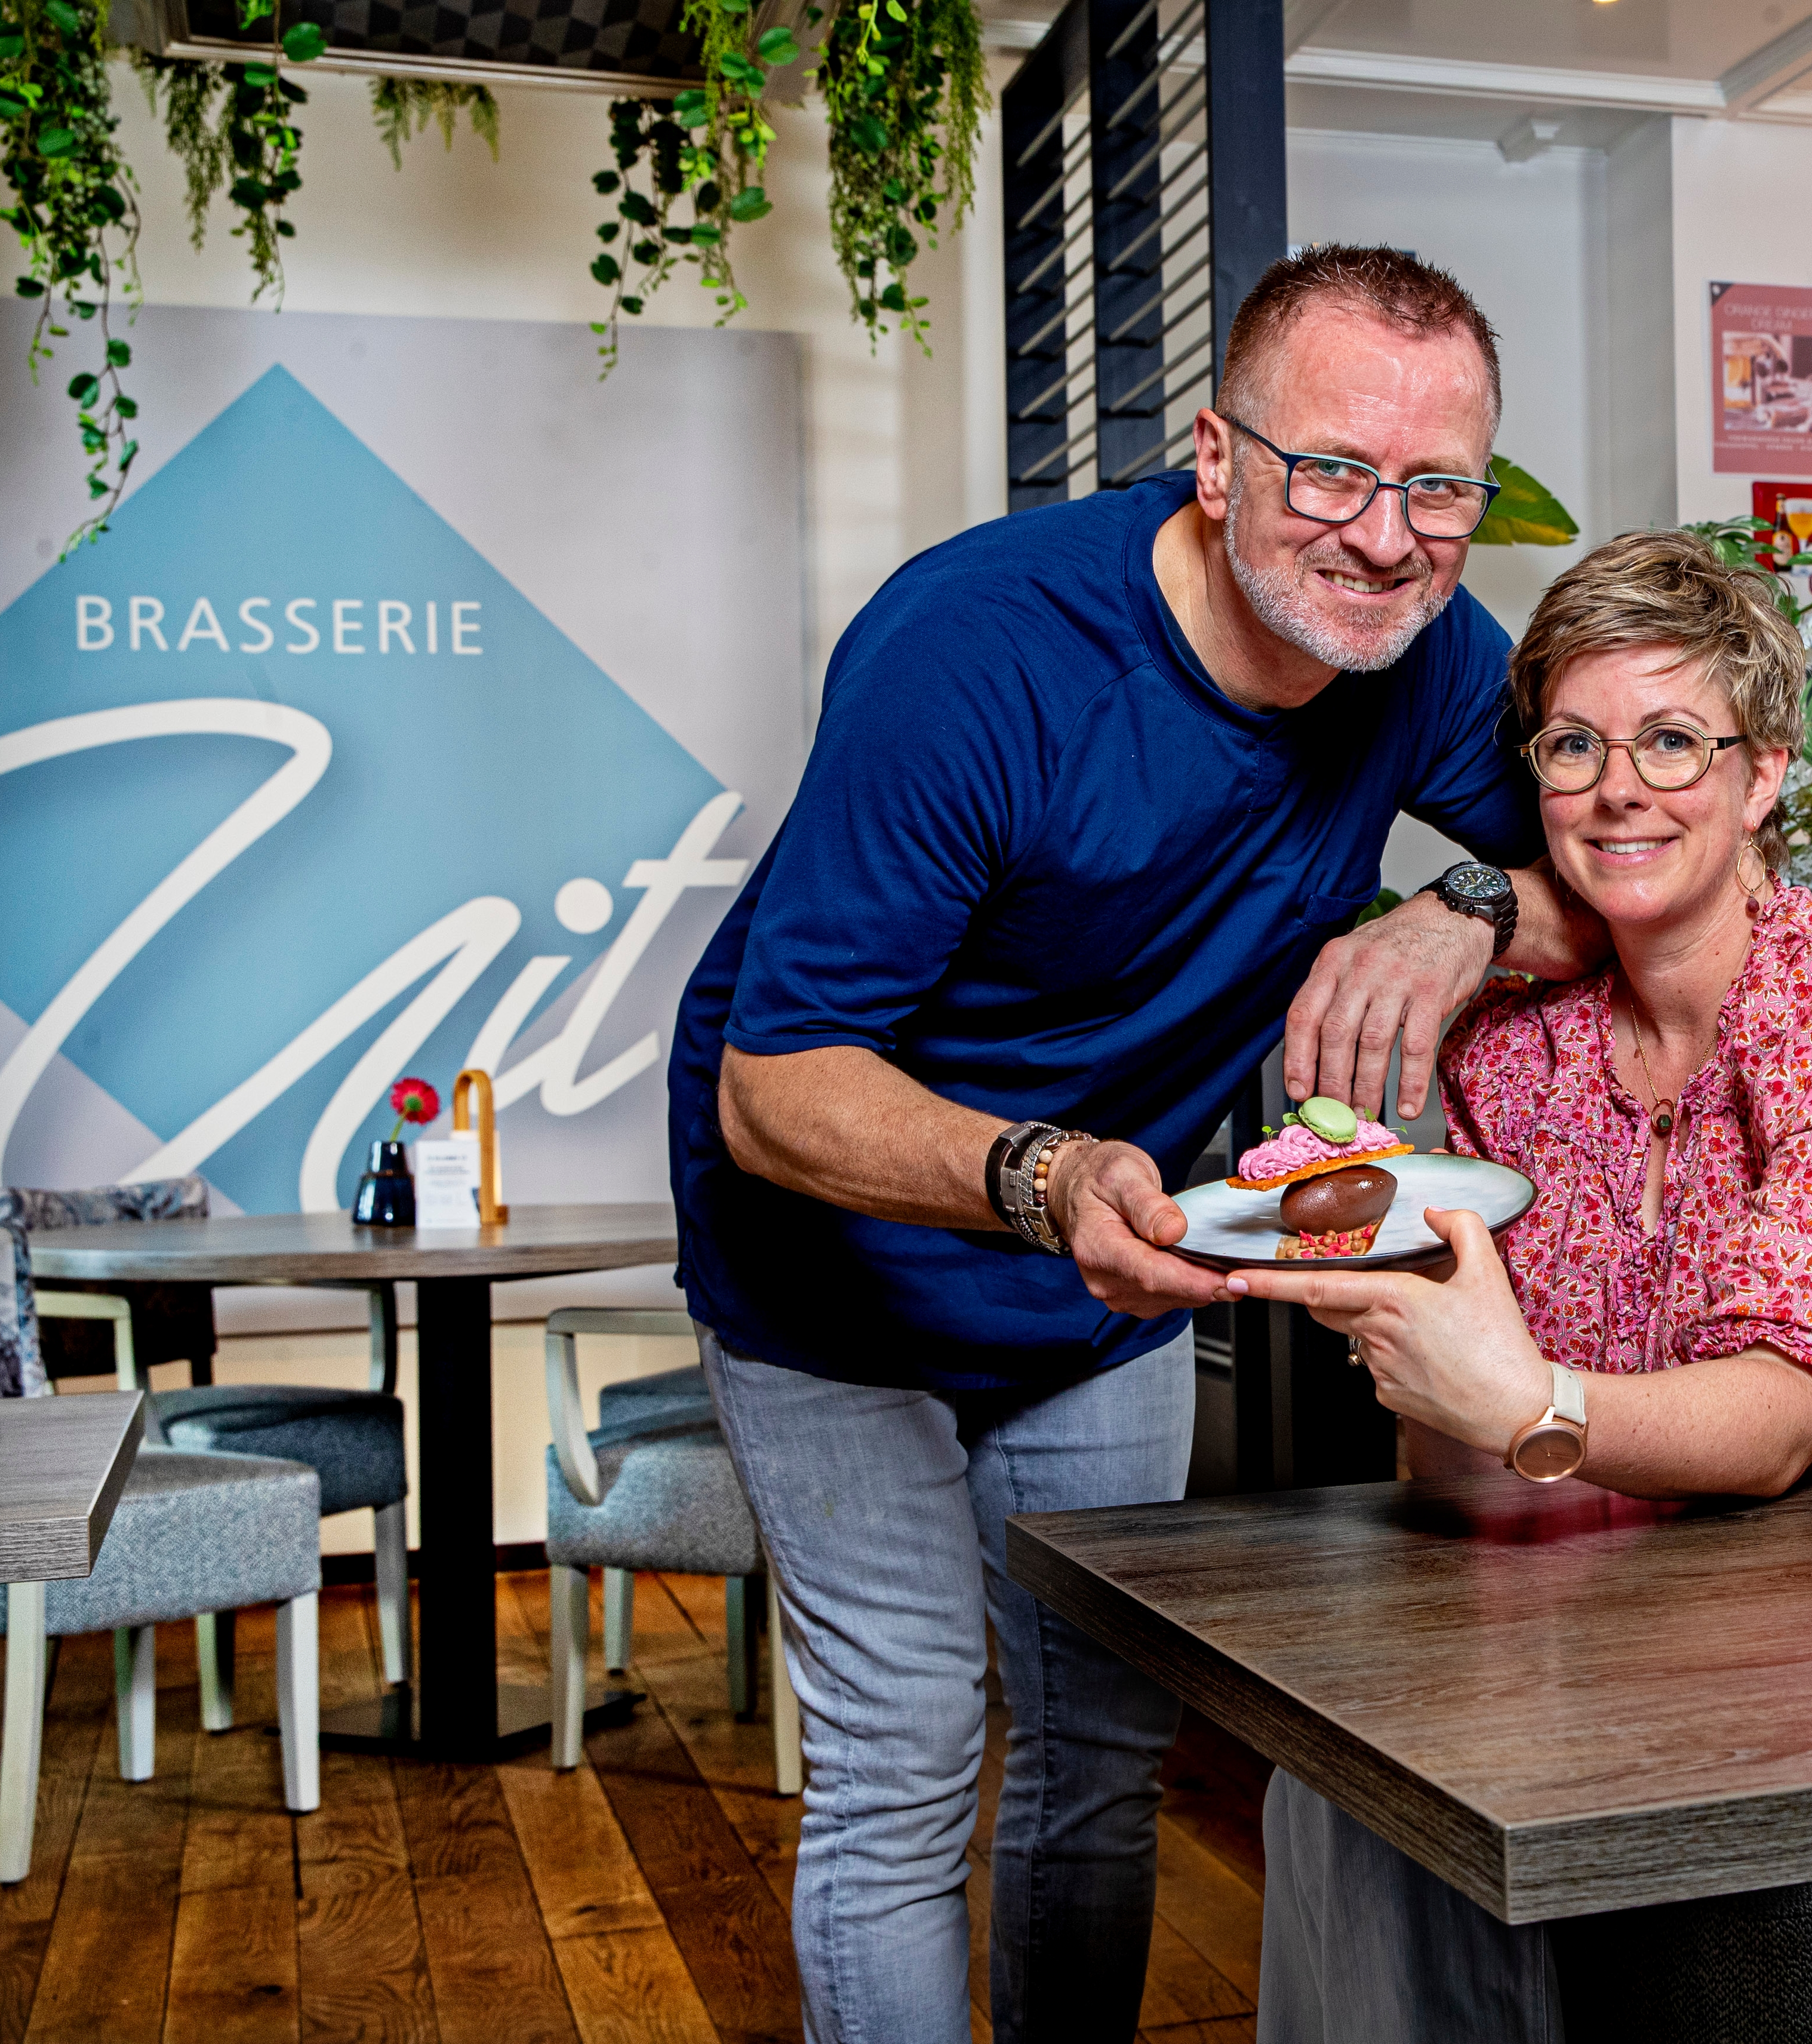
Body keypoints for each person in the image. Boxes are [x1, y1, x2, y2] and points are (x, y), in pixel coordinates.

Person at [667, 245, 1606, 2044]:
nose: (1387, 537)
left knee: (1100, 1741)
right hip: (834, 1254)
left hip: (1119, 1270)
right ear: (1215, 453)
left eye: (1439, 488)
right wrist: (1041, 1180)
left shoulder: (1418, 658)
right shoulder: (976, 652)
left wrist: (1458, 910)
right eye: (1331, 468)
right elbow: (776, 1083)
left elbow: (1615, 874)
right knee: (909, 1741)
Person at [1233, 530, 1812, 2040]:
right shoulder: (1506, 1053)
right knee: (1341, 1788)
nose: (1618, 787)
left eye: (1673, 739)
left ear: (1764, 774)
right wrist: (1389, 1305)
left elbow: (1785, 1413)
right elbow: (1462, 1458)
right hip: (1615, 1642)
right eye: (1575, 745)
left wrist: (1521, 1397)